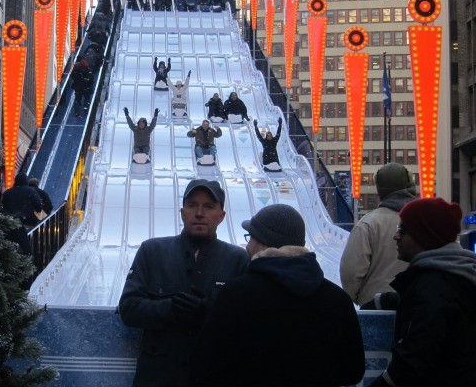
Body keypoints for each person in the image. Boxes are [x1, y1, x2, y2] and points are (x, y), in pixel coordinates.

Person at [190, 204, 366, 386]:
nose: (248, 246)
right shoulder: (337, 300)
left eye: (251, 238)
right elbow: (352, 372)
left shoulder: (236, 296)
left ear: (263, 243)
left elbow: (204, 367)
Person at [118, 179, 249, 386]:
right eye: (192, 205)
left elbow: (246, 326)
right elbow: (128, 309)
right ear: (182, 212)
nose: (199, 213)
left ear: (221, 216)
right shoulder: (152, 251)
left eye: (208, 206)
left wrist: (209, 315)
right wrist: (169, 308)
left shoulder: (238, 259)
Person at [369, 197, 476, 387]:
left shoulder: (433, 290)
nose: (396, 236)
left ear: (424, 236)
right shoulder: (450, 277)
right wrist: (387, 300)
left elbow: (412, 363)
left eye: (403, 230)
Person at [340, 163, 416, 307]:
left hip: (376, 307)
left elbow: (350, 272)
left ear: (379, 190)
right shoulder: (425, 220)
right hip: (417, 306)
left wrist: (361, 298)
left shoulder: (368, 224)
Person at [1, 173, 42, 256]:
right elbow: (38, 207)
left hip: (9, 225)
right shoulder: (30, 191)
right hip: (26, 223)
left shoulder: (7, 193)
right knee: (26, 250)